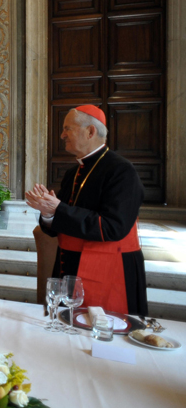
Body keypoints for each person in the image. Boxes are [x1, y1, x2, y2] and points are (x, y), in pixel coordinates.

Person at [25, 105, 148, 315]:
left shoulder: (122, 171)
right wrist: (48, 214)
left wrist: (59, 209)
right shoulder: (73, 173)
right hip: (69, 267)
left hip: (109, 269)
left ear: (90, 131)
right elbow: (55, 227)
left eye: (67, 129)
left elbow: (113, 227)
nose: (62, 135)